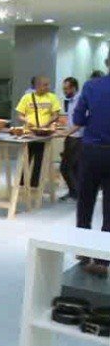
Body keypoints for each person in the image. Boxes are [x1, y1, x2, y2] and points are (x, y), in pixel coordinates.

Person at [73, 53, 110, 276]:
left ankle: (83, 251)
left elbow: (78, 119)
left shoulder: (91, 86)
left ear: (107, 63)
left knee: (85, 201)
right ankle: (104, 258)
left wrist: (92, 121)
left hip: (91, 151)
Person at [15, 76, 61, 188]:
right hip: (29, 134)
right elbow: (19, 115)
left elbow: (56, 115)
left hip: (44, 134)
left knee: (39, 161)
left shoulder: (52, 97)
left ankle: (34, 185)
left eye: (48, 84)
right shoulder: (27, 98)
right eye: (45, 85)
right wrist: (27, 121)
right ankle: (22, 184)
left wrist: (47, 123)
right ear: (37, 86)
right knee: (26, 159)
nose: (48, 87)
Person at [59, 77, 82, 201]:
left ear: (74, 88)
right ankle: (75, 193)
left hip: (77, 137)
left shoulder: (80, 100)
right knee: (74, 168)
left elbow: (81, 121)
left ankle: (76, 193)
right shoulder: (70, 101)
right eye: (64, 89)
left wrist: (68, 132)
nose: (65, 91)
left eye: (67, 89)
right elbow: (71, 119)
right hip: (71, 136)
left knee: (66, 168)